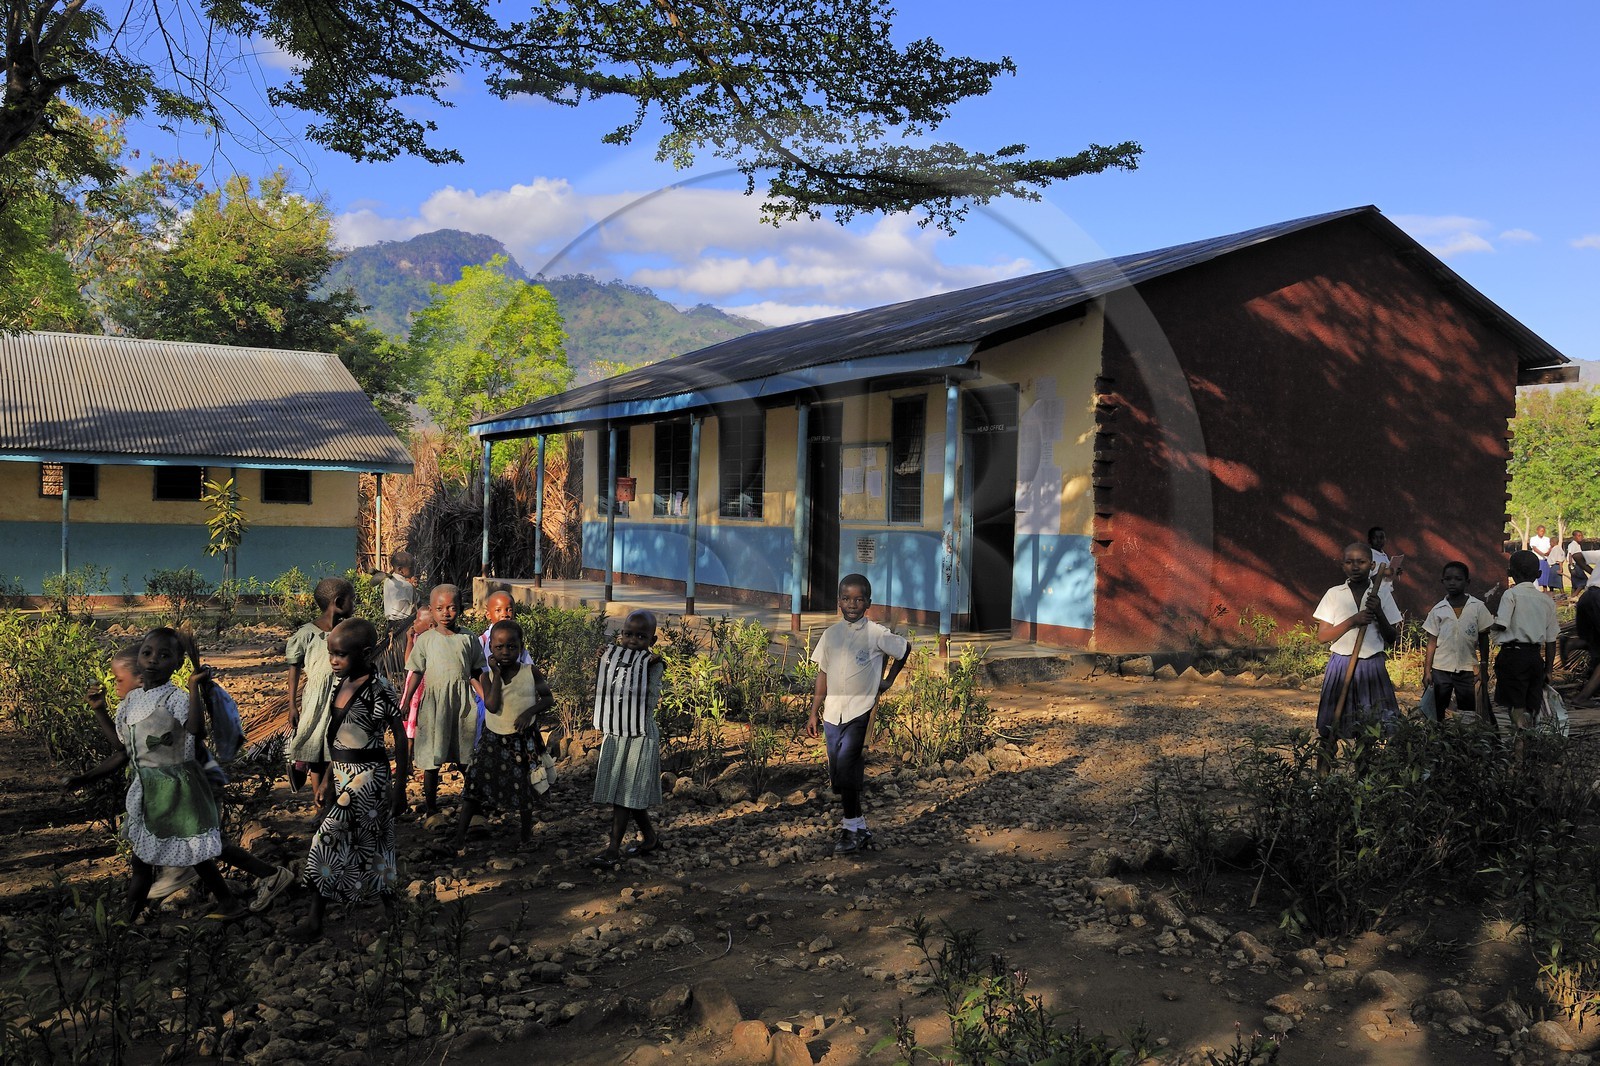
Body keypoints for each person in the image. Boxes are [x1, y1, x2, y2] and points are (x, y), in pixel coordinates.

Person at [63, 628, 245, 920]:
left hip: (177, 789)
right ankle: (226, 904)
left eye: (164, 655)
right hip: (149, 790)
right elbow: (123, 750)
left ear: (177, 662)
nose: (152, 660)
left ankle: (127, 918)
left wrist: (193, 689)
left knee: (170, 857)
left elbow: (197, 731)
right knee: (175, 857)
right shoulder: (131, 703)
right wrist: (99, 712)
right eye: (147, 653)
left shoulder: (176, 698)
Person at [299, 619, 409, 938]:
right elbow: (337, 742)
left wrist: (399, 787)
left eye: (341, 655)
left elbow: (400, 738)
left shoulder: (378, 689)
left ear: (364, 653)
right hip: (344, 775)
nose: (334, 660)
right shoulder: (340, 684)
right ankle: (394, 913)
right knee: (373, 846)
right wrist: (324, 782)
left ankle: (315, 919)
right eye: (331, 653)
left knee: (326, 839)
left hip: (368, 780)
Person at [805, 574, 910, 855]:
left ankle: (850, 829)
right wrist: (814, 712)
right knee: (838, 775)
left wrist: (888, 681)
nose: (853, 604)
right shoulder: (831, 635)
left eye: (859, 599)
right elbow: (823, 673)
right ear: (839, 601)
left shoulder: (875, 633)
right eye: (847, 599)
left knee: (848, 769)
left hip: (859, 712)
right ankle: (859, 826)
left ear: (868, 603)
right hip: (832, 714)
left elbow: (904, 649)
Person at [456, 619, 552, 855]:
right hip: (493, 739)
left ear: (521, 647)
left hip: (522, 739)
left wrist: (529, 712)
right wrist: (496, 674)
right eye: (499, 647)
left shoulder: (530, 672)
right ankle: (459, 837)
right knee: (474, 784)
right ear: (491, 649)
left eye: (512, 646)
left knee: (525, 787)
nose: (506, 652)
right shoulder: (488, 677)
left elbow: (548, 699)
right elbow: (490, 705)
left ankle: (526, 836)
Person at [400, 585, 487, 816]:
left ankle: (474, 808)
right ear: (431, 609)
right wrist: (407, 700)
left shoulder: (468, 638)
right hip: (434, 705)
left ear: (461, 609)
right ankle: (431, 809)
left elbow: (477, 670)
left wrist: (486, 697)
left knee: (465, 754)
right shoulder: (426, 639)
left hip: (462, 705)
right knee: (432, 757)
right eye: (439, 608)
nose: (445, 613)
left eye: (451, 608)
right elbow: (416, 672)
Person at [590, 609, 666, 864]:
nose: (633, 641)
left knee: (624, 795)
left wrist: (645, 667)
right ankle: (651, 838)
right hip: (617, 732)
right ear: (620, 635)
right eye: (628, 634)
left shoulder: (654, 665)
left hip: (639, 735)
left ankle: (613, 848)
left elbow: (647, 698)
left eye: (641, 637)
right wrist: (603, 660)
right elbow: (606, 686)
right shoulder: (615, 658)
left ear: (652, 641)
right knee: (628, 794)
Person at [1312, 543, 1402, 758]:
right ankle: (1322, 777)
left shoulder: (1381, 594)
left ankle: (1364, 779)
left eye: (1361, 562)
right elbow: (1323, 636)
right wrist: (1354, 620)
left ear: (1371, 565)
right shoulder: (1334, 594)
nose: (1355, 567)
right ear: (1342, 565)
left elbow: (1391, 638)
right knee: (1331, 726)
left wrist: (1378, 611)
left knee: (1369, 728)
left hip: (1371, 666)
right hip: (1340, 666)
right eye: (1349, 562)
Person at [286, 577, 356, 801]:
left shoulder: (348, 632)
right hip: (316, 700)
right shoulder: (307, 634)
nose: (354, 605)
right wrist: (292, 705)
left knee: (337, 748)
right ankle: (320, 800)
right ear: (338, 602)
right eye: (351, 600)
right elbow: (294, 667)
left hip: (342, 697)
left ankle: (337, 798)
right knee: (315, 750)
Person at [1492, 549, 1560, 729]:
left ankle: (1518, 750)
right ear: (1538, 574)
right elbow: (1552, 639)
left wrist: (1486, 625)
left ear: (1509, 573)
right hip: (1534, 658)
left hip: (1513, 656)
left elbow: (1502, 624)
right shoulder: (1546, 601)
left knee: (1516, 704)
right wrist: (1549, 669)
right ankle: (1529, 742)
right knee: (1532, 703)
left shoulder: (1511, 595)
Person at [1421, 561, 1494, 720]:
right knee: (1438, 709)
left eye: (1458, 579)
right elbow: (1432, 641)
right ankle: (1439, 740)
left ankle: (1467, 740)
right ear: (1442, 582)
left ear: (1467, 582)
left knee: (1468, 709)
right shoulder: (1438, 609)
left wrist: (1483, 666)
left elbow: (1483, 639)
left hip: (1468, 668)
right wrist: (1427, 670)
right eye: (1448, 579)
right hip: (1441, 668)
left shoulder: (1477, 607)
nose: (1452, 582)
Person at [378, 550, 419, 683]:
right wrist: (414, 587)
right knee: (405, 657)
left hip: (391, 624)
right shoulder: (406, 586)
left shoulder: (389, 582)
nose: (413, 570)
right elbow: (415, 604)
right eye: (411, 567)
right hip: (404, 625)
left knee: (390, 657)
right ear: (401, 570)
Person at [1569, 531, 1591, 595]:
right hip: (1575, 565)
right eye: (1578, 536)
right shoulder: (1572, 544)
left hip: (1577, 565)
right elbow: (1570, 555)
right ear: (1574, 537)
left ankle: (1572, 599)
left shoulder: (1577, 545)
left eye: (1581, 535)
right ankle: (1574, 595)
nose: (1581, 537)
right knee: (1584, 581)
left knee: (1575, 584)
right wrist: (1572, 567)